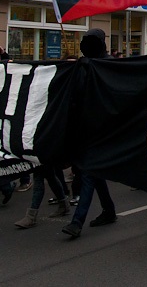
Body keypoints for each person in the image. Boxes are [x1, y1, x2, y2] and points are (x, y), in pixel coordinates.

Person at [62, 29, 118, 238]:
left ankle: (77, 222)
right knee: (94, 173)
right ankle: (109, 210)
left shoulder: (108, 64)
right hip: (85, 127)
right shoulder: (84, 64)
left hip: (102, 129)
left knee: (88, 172)